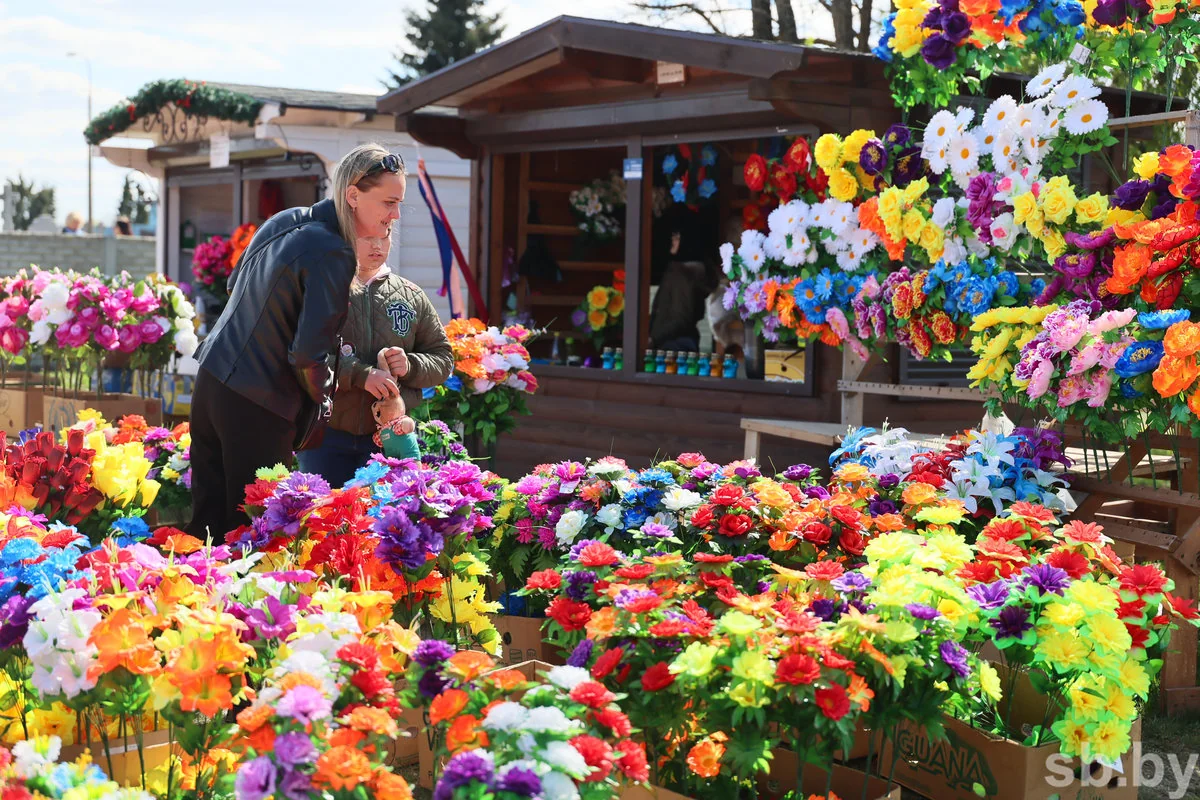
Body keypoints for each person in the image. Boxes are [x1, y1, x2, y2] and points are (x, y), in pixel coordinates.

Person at [186, 143, 406, 540]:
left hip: (211, 383)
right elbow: (307, 354)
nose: (396, 215)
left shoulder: (285, 220)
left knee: (206, 527)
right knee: (254, 537)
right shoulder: (337, 252)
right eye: (389, 202)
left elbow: (236, 287)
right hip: (257, 403)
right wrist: (320, 407)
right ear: (353, 196)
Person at [296, 229, 453, 487]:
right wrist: (359, 375)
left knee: (383, 521)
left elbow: (444, 359)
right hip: (324, 434)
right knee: (321, 520)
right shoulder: (324, 292)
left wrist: (410, 365)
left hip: (392, 438)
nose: (377, 245)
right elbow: (303, 355)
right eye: (367, 236)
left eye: (385, 236)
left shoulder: (411, 296)